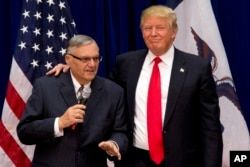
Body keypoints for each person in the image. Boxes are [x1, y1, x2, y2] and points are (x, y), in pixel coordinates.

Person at [46, 5, 223, 167]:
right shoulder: (126, 63)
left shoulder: (197, 68)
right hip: (134, 160)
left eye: (160, 27)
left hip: (183, 161)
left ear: (174, 32)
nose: (153, 33)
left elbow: (210, 127)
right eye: (148, 28)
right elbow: (102, 92)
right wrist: (73, 70)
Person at [17, 34, 128, 167]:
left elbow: (121, 132)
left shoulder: (113, 92)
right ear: (68, 59)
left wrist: (114, 143)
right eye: (85, 59)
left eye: (96, 58)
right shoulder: (45, 87)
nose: (92, 64)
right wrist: (59, 123)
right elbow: (24, 132)